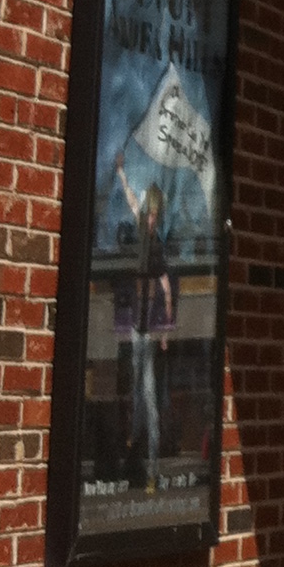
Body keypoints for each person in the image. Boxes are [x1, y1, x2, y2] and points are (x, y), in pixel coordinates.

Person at [115, 162, 174, 493]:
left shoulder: (156, 247)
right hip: (136, 329)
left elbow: (166, 289)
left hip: (147, 331)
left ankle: (152, 469)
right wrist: (122, 173)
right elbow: (131, 198)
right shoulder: (140, 229)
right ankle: (135, 451)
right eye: (149, 215)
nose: (150, 220)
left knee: (148, 399)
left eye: (154, 216)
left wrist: (164, 330)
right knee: (138, 393)